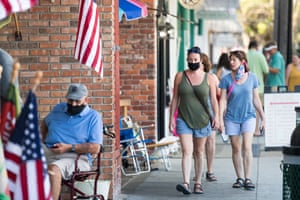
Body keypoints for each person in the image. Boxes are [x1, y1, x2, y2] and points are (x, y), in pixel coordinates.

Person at [169, 46, 219, 195]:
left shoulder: (209, 78)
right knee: (186, 151)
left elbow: (213, 100)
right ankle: (185, 183)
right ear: (187, 60)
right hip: (183, 118)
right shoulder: (180, 76)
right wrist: (171, 118)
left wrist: (216, 116)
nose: (192, 62)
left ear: (201, 60)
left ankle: (198, 182)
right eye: (190, 60)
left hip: (202, 120)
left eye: (195, 60)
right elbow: (175, 98)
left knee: (199, 152)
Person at [40, 83, 103, 200]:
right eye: (70, 100)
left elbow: (95, 148)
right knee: (19, 155)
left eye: (77, 101)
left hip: (76, 157)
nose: (73, 104)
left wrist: (69, 147)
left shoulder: (93, 117)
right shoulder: (59, 108)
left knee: (53, 169)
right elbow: (45, 122)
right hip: (49, 150)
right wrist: (42, 139)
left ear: (86, 100)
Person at [219, 50, 265, 190]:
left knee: (247, 147)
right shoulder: (226, 79)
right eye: (230, 60)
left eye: (234, 60)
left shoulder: (252, 78)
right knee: (236, 148)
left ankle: (248, 178)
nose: (231, 62)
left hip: (248, 116)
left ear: (242, 61)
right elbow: (222, 100)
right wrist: (220, 119)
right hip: (232, 118)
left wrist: (263, 117)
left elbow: (256, 99)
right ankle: (239, 177)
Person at [200, 52, 220, 181]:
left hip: (210, 113)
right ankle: (199, 170)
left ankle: (210, 170)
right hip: (196, 114)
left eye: (199, 62)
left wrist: (218, 115)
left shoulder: (211, 77)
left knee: (211, 141)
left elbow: (218, 95)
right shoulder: (190, 77)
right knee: (199, 144)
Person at [246, 39, 269, 136]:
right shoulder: (260, 55)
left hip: (245, 86)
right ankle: (256, 130)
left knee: (247, 108)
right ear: (256, 46)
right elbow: (266, 70)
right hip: (259, 87)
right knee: (258, 109)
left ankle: (247, 130)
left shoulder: (245, 55)